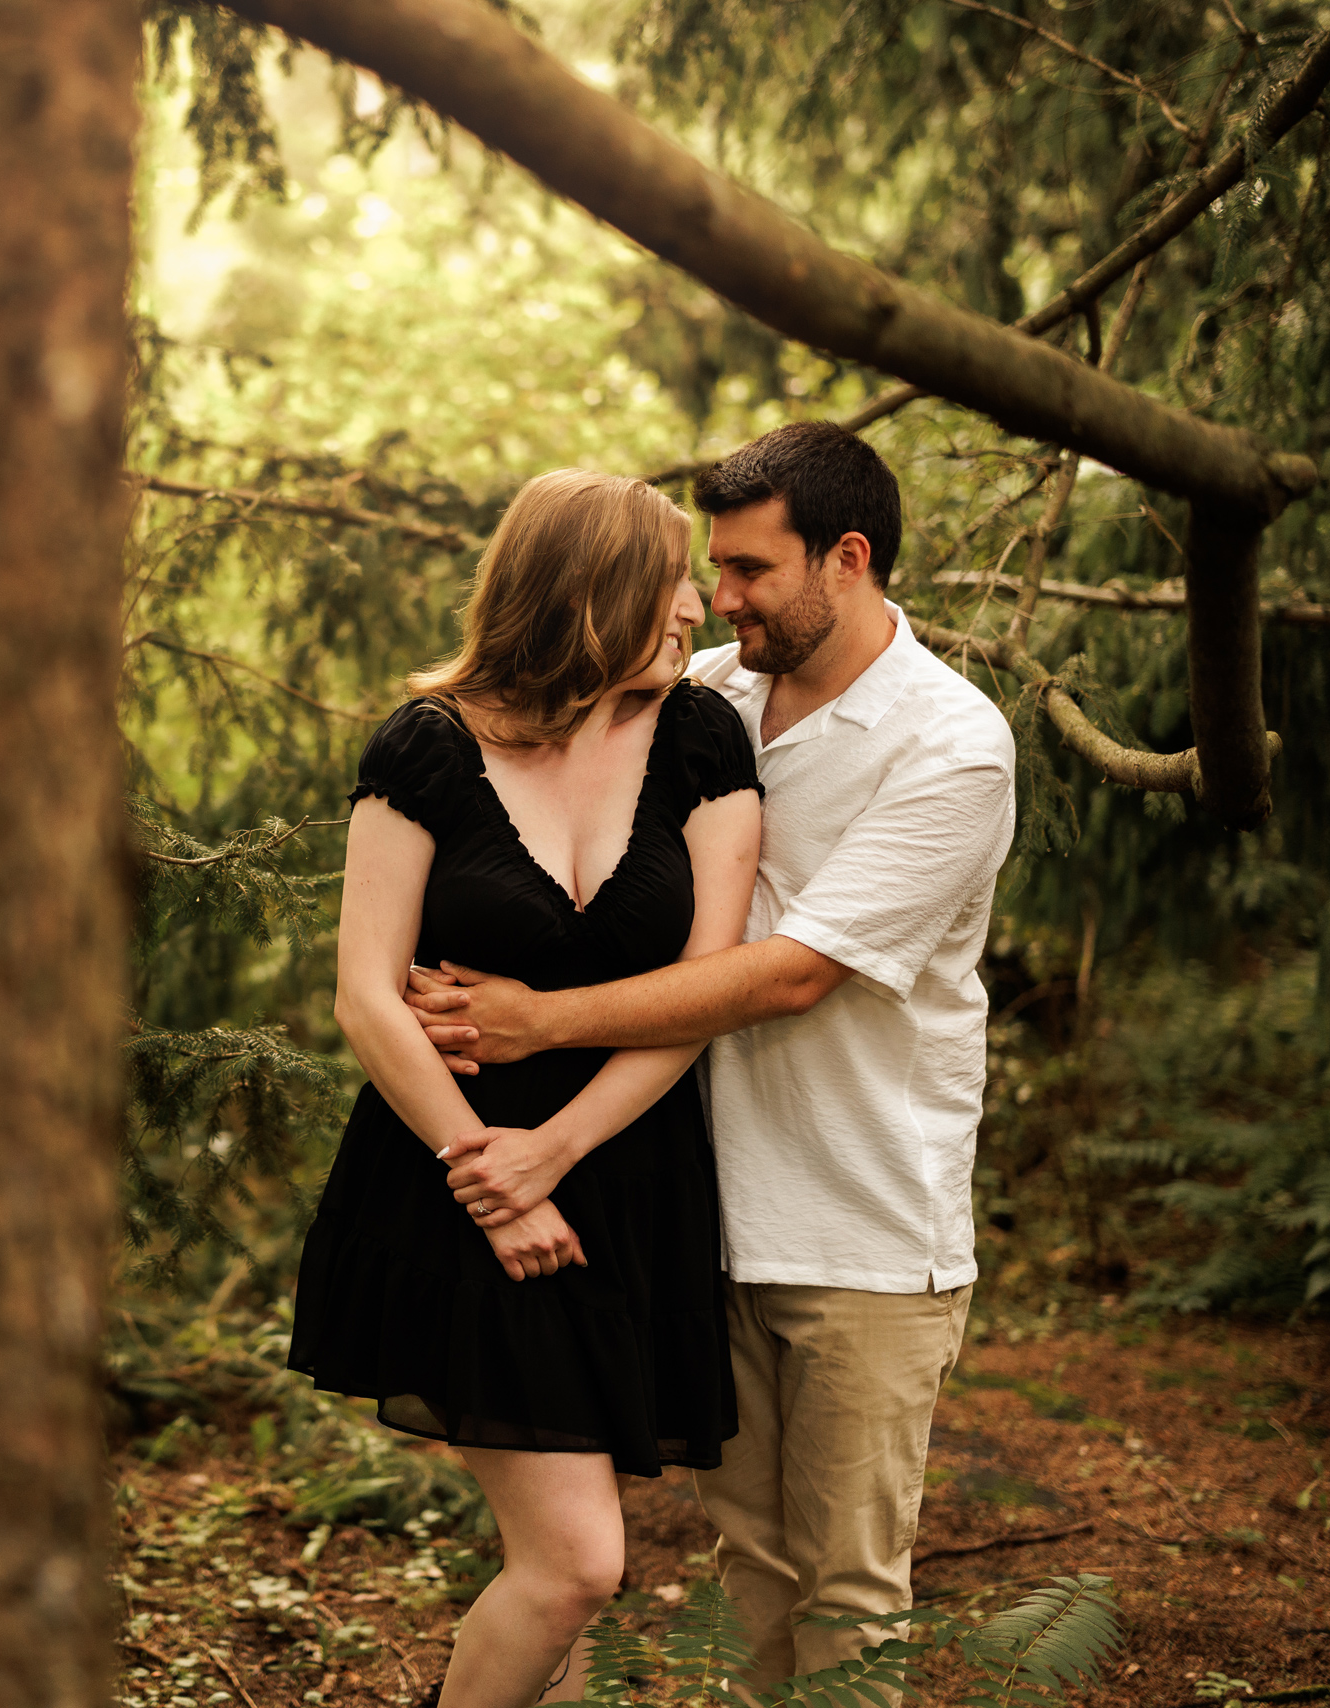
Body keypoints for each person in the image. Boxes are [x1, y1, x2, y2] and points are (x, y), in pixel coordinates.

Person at [408, 422, 1016, 1691]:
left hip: (864, 1228)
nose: (714, 598)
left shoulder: (950, 745)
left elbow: (796, 971)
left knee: (848, 1583)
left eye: (748, 570)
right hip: (708, 1210)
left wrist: (540, 1021)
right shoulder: (711, 703)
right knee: (752, 1566)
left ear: (846, 559)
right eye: (714, 569)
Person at [288, 468, 764, 1707]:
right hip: (455, 1183)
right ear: (594, 590)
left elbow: (705, 990)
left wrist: (552, 1149)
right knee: (574, 1564)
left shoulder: (705, 739)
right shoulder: (428, 745)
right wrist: (488, 1176)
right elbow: (366, 994)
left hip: (627, 1176)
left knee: (562, 1563)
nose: (697, 606)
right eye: (672, 579)